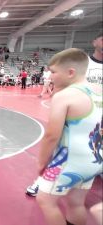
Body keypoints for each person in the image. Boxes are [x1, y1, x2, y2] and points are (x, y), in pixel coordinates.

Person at [26, 33, 103, 197]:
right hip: (77, 112)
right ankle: (42, 180)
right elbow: (62, 82)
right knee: (64, 144)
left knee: (91, 149)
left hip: (97, 114)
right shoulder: (82, 62)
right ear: (94, 41)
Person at [34, 48, 102, 225]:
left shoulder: (65, 96)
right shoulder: (99, 90)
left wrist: (42, 162)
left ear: (70, 72)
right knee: (76, 203)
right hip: (93, 160)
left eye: (53, 72)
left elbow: (51, 135)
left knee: (45, 200)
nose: (50, 76)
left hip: (69, 161)